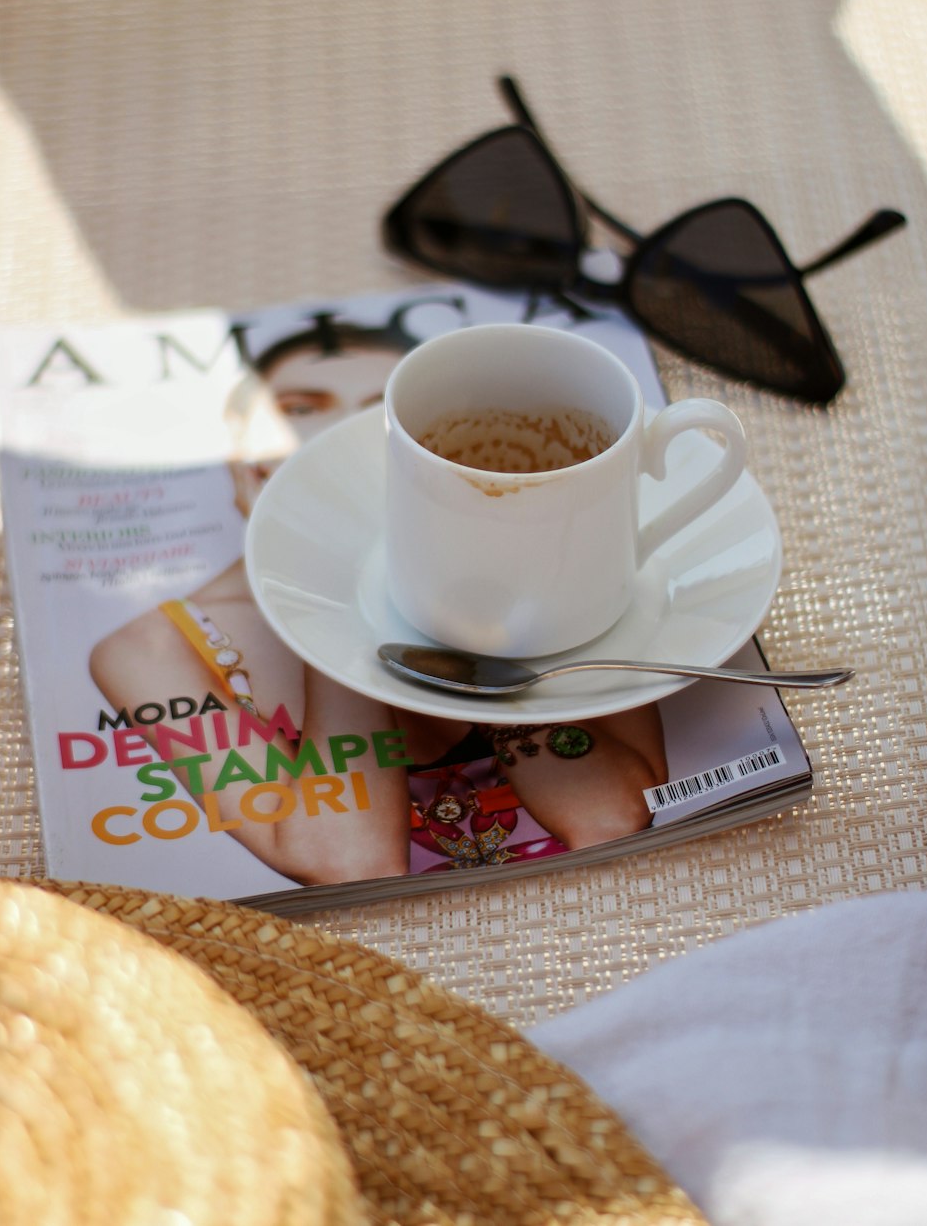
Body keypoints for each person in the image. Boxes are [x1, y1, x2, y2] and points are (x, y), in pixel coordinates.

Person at [90, 314, 669, 886]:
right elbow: (351, 865)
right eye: (299, 408)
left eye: (376, 410)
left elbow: (609, 819)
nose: (340, 430)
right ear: (241, 449)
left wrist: (474, 580)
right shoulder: (153, 646)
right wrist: (325, 587)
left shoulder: (573, 560)